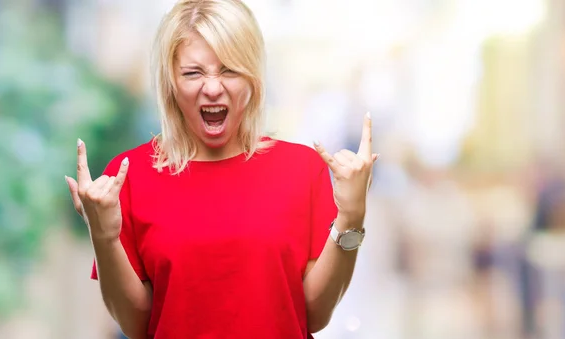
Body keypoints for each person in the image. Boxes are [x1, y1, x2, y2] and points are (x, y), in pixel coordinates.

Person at [64, 0, 378, 338]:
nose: (212, 88)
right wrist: (104, 236)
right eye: (193, 72)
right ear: (170, 81)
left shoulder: (303, 170)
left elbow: (314, 314)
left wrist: (352, 215)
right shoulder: (130, 175)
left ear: (254, 77)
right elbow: (136, 324)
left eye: (229, 69)